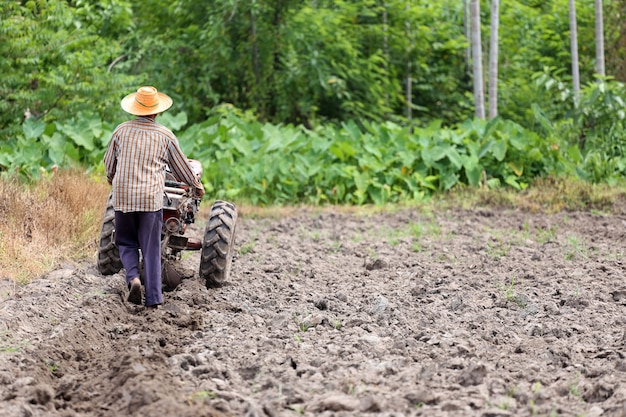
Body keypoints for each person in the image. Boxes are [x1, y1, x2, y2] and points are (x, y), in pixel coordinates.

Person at [103, 86, 205, 308]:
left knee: (126, 242)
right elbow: (181, 170)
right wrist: (196, 186)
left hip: (123, 197)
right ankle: (154, 299)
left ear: (134, 109)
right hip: (150, 200)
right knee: (150, 248)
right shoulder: (165, 135)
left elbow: (109, 164)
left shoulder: (120, 131)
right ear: (156, 111)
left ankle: (133, 278)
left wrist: (112, 178)